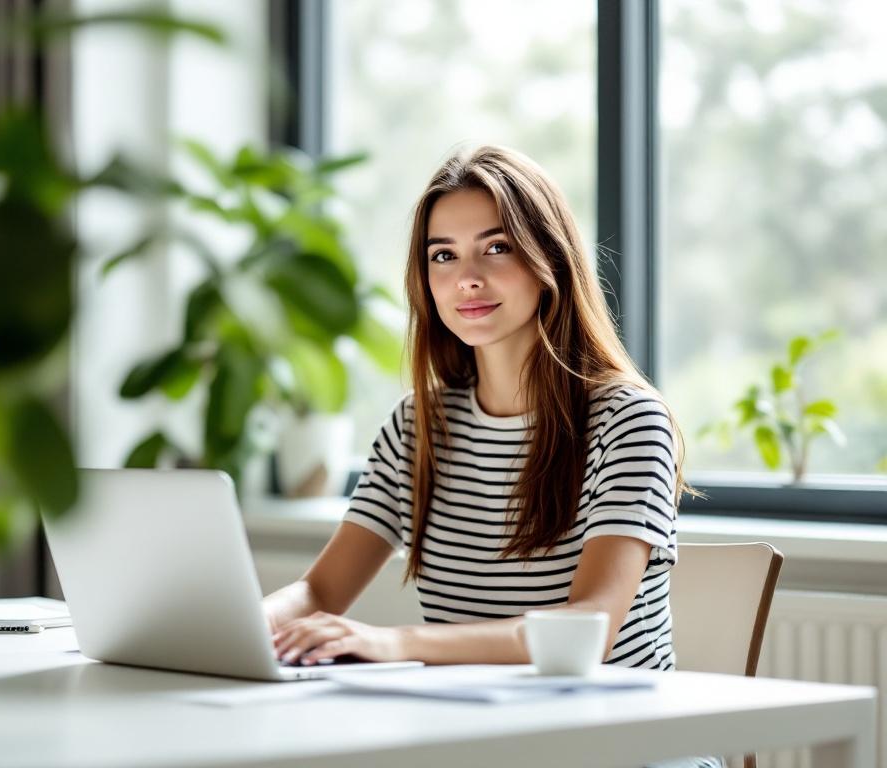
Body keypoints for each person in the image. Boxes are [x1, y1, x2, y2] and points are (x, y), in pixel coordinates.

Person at [262, 145, 712, 755]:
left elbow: (591, 628)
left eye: (496, 248)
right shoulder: (420, 426)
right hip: (480, 744)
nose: (466, 278)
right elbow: (319, 593)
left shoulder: (629, 419)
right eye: (442, 256)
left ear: (548, 258)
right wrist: (246, 625)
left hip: (622, 748)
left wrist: (395, 643)